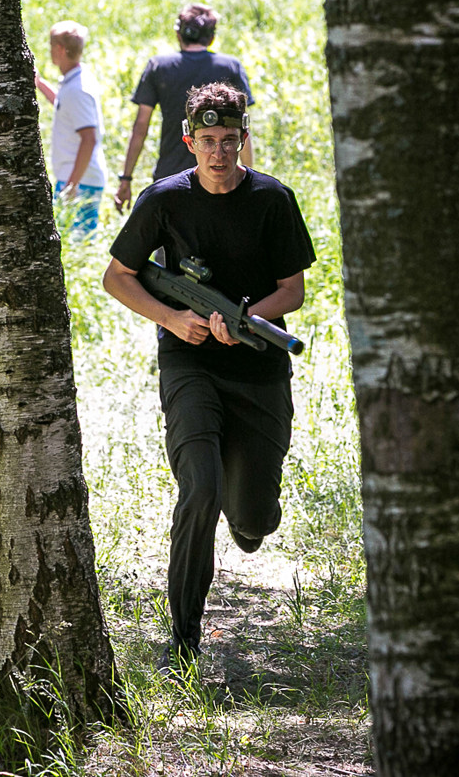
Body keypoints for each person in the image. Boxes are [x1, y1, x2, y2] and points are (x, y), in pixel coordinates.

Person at [101, 83, 316, 668]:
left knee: (252, 516)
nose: (219, 152)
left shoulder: (273, 199)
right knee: (200, 489)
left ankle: (249, 521)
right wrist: (172, 318)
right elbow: (118, 277)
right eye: (207, 140)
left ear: (243, 139)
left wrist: (242, 320)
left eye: (228, 140)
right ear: (188, 140)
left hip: (259, 372)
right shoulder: (164, 200)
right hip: (189, 364)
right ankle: (184, 637)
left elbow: (292, 290)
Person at [116, 3, 255, 212]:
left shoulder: (159, 66)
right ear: (211, 37)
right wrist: (249, 181)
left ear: (178, 33)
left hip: (170, 177)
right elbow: (243, 129)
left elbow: (140, 127)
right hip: (222, 177)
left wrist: (126, 178)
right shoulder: (230, 67)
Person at [34, 20, 110, 235]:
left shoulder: (77, 89)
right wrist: (39, 83)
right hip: (77, 178)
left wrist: (72, 185)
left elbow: (89, 138)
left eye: (51, 46)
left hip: (80, 182)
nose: (50, 51)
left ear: (60, 49)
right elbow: (63, 104)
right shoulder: (76, 79)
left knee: (76, 241)